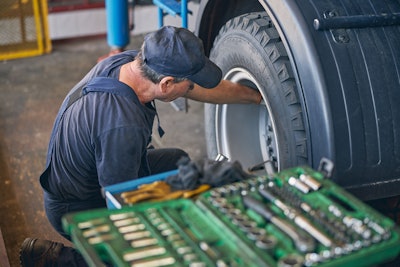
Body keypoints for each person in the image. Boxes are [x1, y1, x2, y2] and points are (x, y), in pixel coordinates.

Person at [20, 26, 262, 266]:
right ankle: (55, 259)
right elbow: (120, 205)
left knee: (177, 163)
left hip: (91, 172)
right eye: (188, 85)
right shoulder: (122, 126)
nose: (191, 88)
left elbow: (196, 88)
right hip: (75, 206)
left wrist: (253, 96)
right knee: (155, 251)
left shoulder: (133, 63)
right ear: (166, 84)